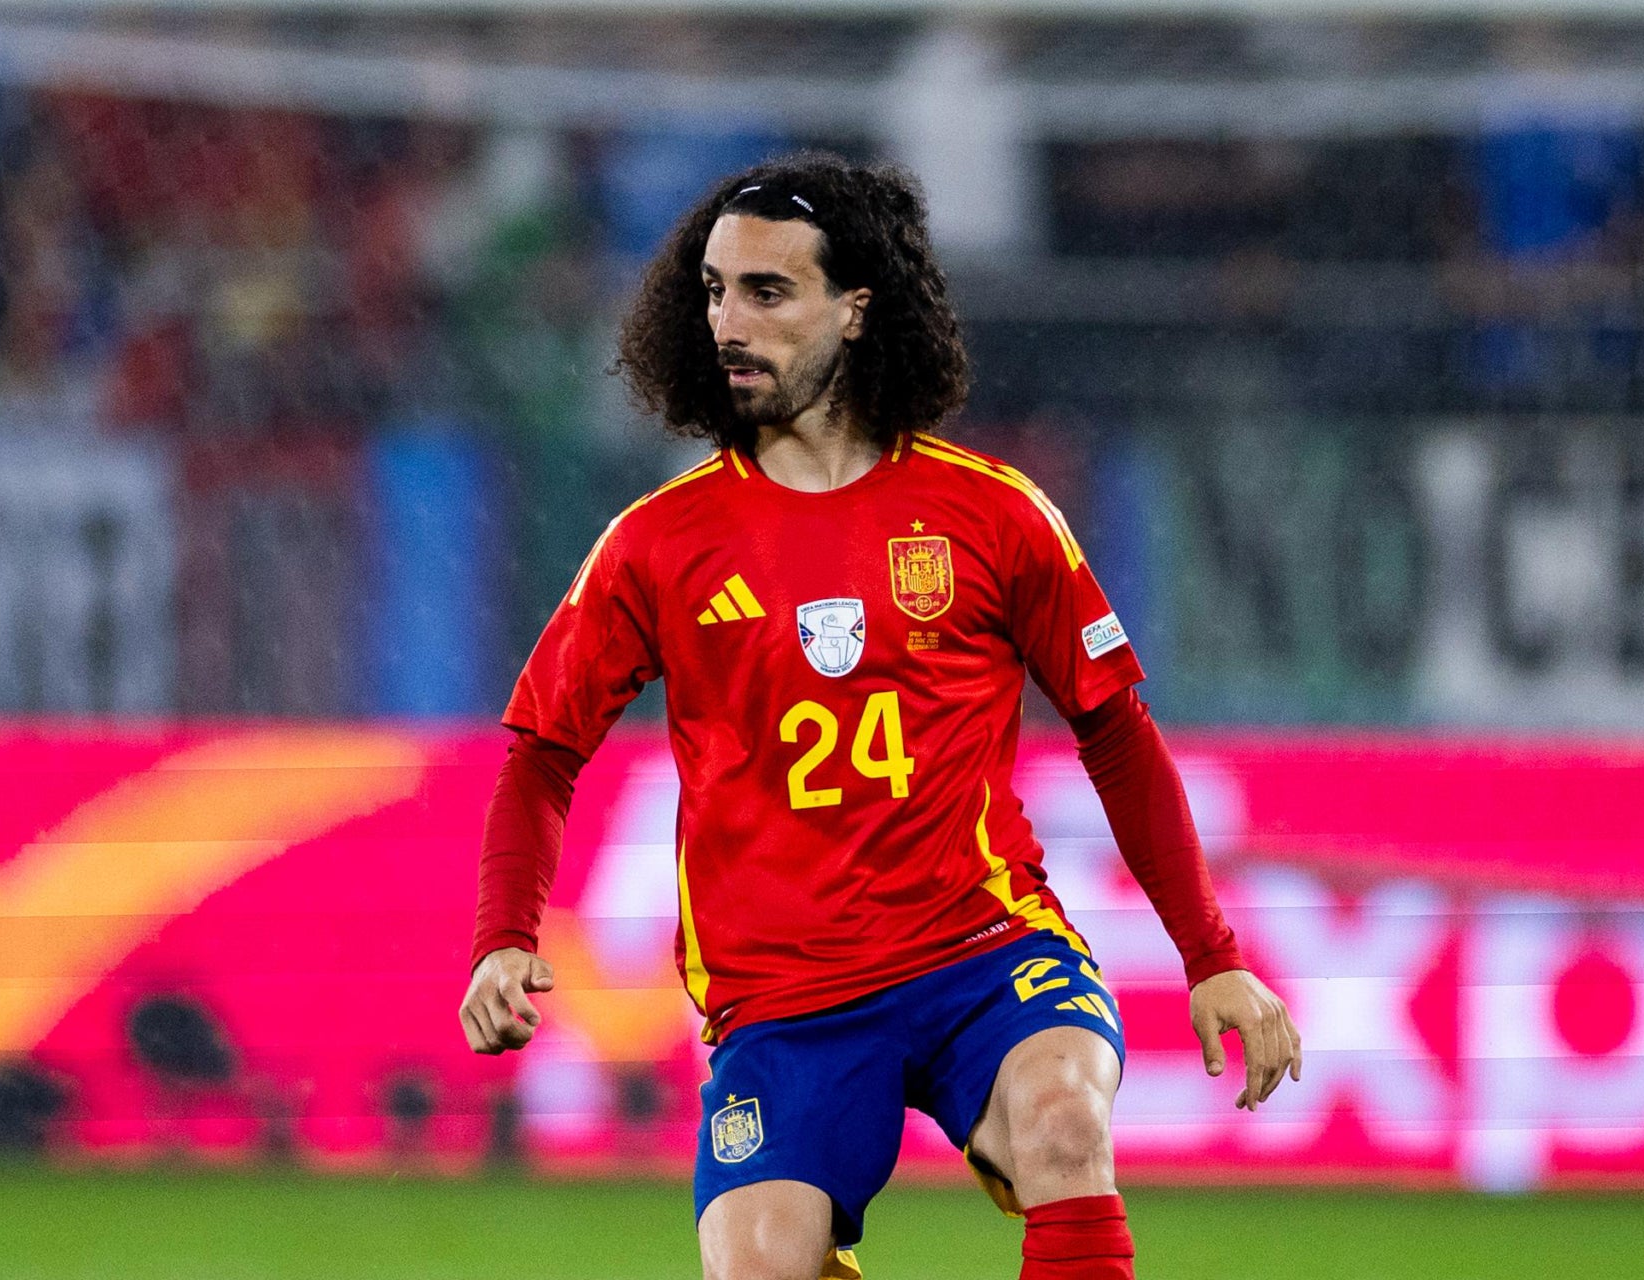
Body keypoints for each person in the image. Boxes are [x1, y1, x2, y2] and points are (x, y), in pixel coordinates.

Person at [458, 152, 1301, 1280]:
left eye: (767, 291)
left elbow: (1115, 727)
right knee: (757, 1266)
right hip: (782, 1002)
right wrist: (505, 936)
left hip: (985, 954)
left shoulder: (993, 514)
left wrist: (1212, 956)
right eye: (713, 291)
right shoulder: (659, 543)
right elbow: (541, 748)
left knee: (1063, 1123)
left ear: (855, 310)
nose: (729, 321)